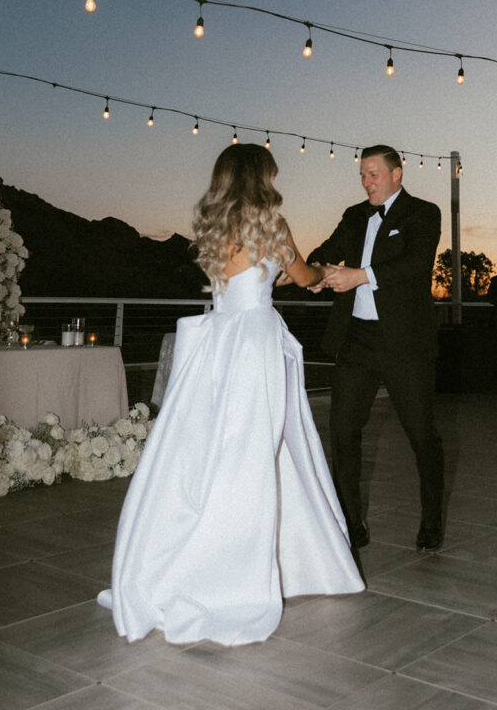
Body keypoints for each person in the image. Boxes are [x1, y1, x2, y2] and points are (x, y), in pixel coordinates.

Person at [97, 144, 363, 646]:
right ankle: (242, 562)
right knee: (257, 447)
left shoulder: (213, 225)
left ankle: (194, 553)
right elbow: (303, 276)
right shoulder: (274, 226)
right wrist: (320, 273)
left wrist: (274, 271)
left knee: (208, 448)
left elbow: (239, 277)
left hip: (216, 339)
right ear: (262, 179)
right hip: (255, 342)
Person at [307, 144, 444, 552]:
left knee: (422, 436)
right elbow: (329, 250)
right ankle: (352, 524)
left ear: (397, 174)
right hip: (356, 340)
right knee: (342, 431)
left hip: (405, 343)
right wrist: (314, 272)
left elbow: (416, 264)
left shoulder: (425, 213)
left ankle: (432, 521)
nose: (366, 182)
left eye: (374, 174)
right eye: (362, 176)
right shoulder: (355, 215)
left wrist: (360, 276)